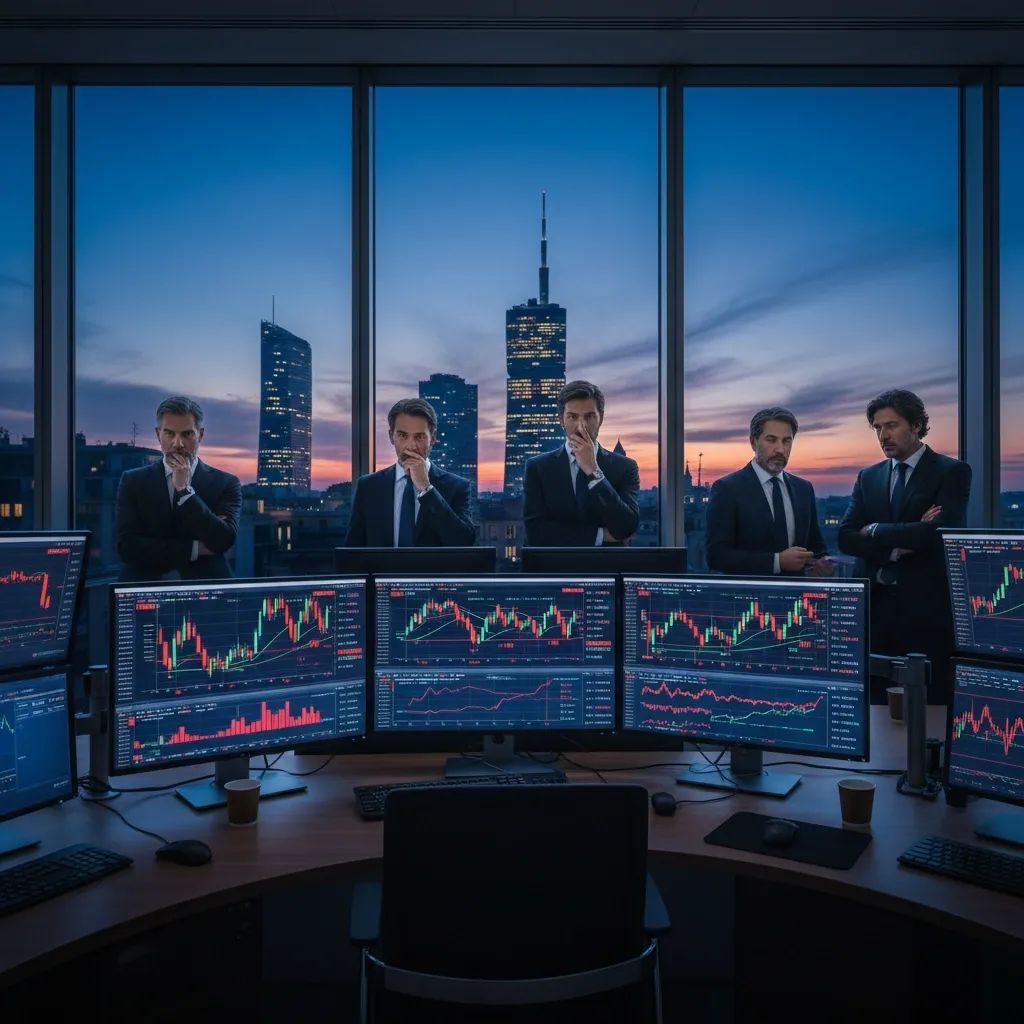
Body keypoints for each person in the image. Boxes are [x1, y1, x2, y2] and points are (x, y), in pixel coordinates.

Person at [839, 388, 972, 702]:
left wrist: (875, 529)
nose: (883, 435)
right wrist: (894, 548)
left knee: (928, 707)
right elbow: (845, 537)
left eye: (891, 425)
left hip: (925, 615)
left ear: (916, 425)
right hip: (875, 614)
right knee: (875, 707)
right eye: (877, 428)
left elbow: (936, 535)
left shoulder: (950, 472)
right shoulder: (868, 477)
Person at [116, 396, 241, 581]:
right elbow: (127, 548)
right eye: (169, 434)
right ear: (158, 434)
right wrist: (194, 549)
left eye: (187, 434)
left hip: (206, 589)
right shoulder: (133, 481)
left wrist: (184, 491)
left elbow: (223, 540)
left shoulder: (226, 483)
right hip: (146, 588)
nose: (178, 443)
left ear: (200, 435)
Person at [707, 407, 833, 577]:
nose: (780, 449)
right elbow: (716, 556)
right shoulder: (727, 489)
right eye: (771, 440)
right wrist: (777, 562)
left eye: (786, 441)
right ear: (753, 442)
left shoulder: (803, 489)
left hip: (797, 591)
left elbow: (815, 546)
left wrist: (822, 562)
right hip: (749, 592)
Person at [345, 397, 476, 547]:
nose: (411, 446)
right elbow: (352, 551)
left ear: (433, 438)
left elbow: (464, 542)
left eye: (419, 437)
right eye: (403, 435)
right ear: (391, 437)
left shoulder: (457, 487)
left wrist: (426, 489)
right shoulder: (368, 487)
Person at [523, 379, 639, 547]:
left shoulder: (625, 467)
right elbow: (536, 534)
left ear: (601, 418)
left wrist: (593, 470)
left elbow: (627, 528)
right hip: (555, 563)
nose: (581, 426)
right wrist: (600, 535)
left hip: (608, 564)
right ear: (561, 419)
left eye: (589, 416)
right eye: (572, 417)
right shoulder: (537, 468)